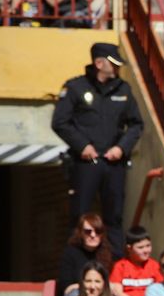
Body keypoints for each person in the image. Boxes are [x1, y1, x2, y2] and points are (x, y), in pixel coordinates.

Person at [51, 43, 144, 256]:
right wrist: (82, 145)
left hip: (114, 163)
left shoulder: (124, 89)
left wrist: (122, 148)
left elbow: (137, 124)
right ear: (99, 63)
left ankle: (116, 266)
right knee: (80, 215)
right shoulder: (75, 87)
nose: (117, 68)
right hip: (85, 163)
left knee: (115, 216)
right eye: (113, 63)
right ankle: (77, 264)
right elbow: (60, 122)